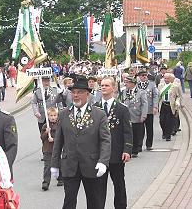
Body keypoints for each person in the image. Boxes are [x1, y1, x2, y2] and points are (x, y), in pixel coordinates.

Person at [51, 77, 111, 209]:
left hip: (91, 165)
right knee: (69, 201)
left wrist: (103, 162)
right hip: (70, 165)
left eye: (79, 92)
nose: (76, 95)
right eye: (73, 92)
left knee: (94, 201)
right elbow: (58, 141)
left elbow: (105, 140)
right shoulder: (63, 114)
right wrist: (55, 164)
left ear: (87, 94)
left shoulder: (99, 114)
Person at [96, 77, 133, 209]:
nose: (103, 87)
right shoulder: (94, 108)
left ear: (113, 88)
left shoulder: (122, 109)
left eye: (106, 85)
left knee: (119, 185)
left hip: (116, 154)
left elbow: (127, 132)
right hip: (99, 156)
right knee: (99, 187)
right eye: (102, 85)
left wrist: (127, 150)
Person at [122, 76, 147, 157]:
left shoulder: (140, 92)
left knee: (136, 134)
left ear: (132, 83)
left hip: (136, 116)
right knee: (128, 134)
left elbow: (144, 104)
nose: (126, 84)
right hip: (126, 116)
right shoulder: (124, 92)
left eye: (127, 82)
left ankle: (135, 149)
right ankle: (129, 149)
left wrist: (143, 115)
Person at [40, 107, 63, 191]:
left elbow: (61, 137)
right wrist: (46, 132)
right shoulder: (45, 125)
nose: (53, 117)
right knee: (47, 166)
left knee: (59, 163)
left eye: (54, 115)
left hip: (57, 149)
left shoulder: (60, 125)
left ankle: (60, 178)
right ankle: (46, 182)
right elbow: (42, 138)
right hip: (47, 149)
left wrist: (54, 139)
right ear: (48, 116)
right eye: (51, 115)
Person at [137, 69, 158, 151]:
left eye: (145, 75)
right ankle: (139, 145)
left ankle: (149, 144)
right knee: (140, 129)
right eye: (142, 75)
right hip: (140, 110)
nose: (145, 77)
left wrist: (155, 106)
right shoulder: (137, 85)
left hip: (149, 109)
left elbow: (155, 95)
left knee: (149, 128)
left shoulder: (152, 84)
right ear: (139, 77)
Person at [158, 73, 183, 141]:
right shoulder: (160, 86)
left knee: (170, 121)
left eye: (168, 78)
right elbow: (158, 96)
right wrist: (155, 105)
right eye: (165, 78)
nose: (166, 80)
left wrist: (177, 102)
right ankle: (164, 132)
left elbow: (179, 96)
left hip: (171, 105)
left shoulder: (175, 86)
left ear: (171, 79)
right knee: (162, 120)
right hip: (163, 104)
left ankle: (168, 135)